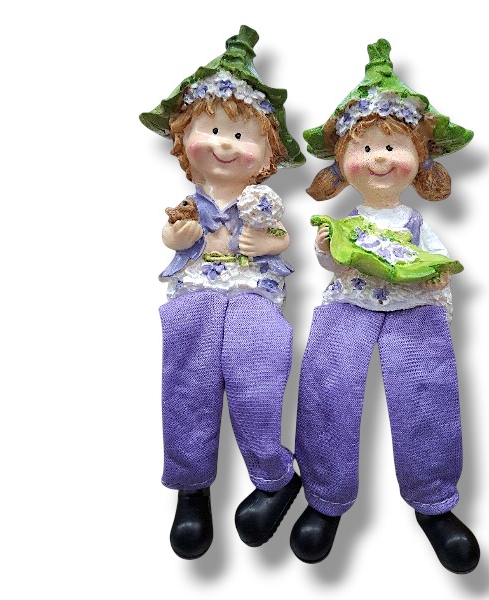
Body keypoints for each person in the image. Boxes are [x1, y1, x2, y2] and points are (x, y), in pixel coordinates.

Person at [290, 39, 480, 573]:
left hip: (414, 308)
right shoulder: (345, 224)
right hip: (348, 304)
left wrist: (438, 273)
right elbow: (333, 266)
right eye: (366, 147)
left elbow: (437, 260)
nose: (379, 157)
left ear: (420, 160)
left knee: (427, 394)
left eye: (393, 146)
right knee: (327, 388)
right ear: (341, 162)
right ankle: (323, 494)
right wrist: (327, 252)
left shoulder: (415, 224)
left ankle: (434, 500)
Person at [139, 25, 305, 559]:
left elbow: (282, 239)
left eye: (240, 135)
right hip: (195, 293)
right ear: (183, 139)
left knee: (257, 380)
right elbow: (171, 236)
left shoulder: (261, 202)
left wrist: (268, 242)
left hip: (253, 294)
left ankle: (275, 475)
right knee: (187, 383)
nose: (224, 144)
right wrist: (179, 236)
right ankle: (191, 486)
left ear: (268, 153)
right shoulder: (192, 203)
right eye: (211, 130)